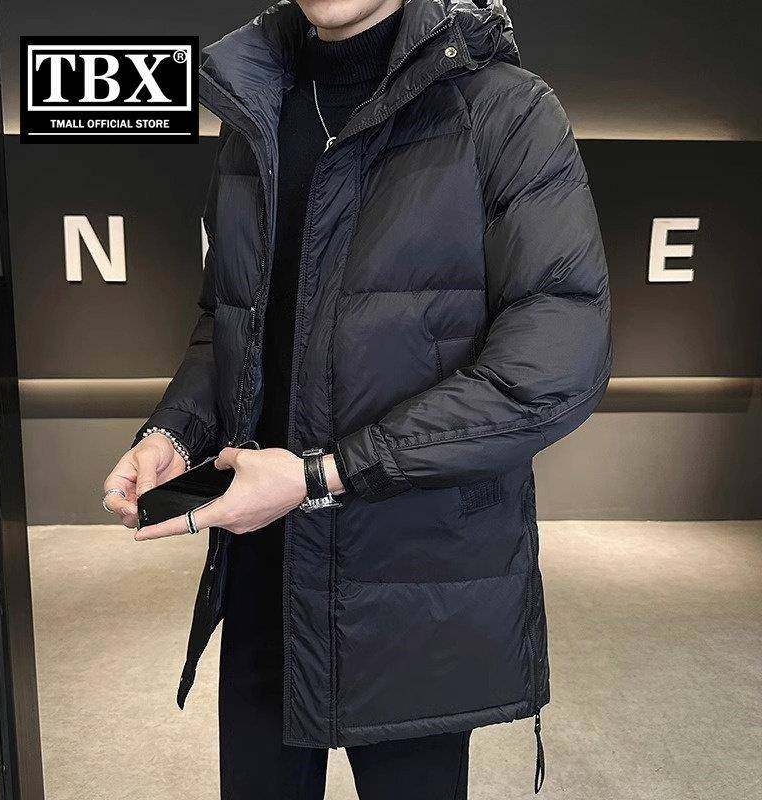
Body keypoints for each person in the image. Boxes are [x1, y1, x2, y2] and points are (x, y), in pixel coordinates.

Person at [102, 1, 612, 797]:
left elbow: (551, 370)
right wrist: (173, 431)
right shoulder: (256, 110)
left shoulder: (504, 111)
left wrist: (319, 475)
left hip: (418, 576)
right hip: (266, 569)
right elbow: (229, 322)